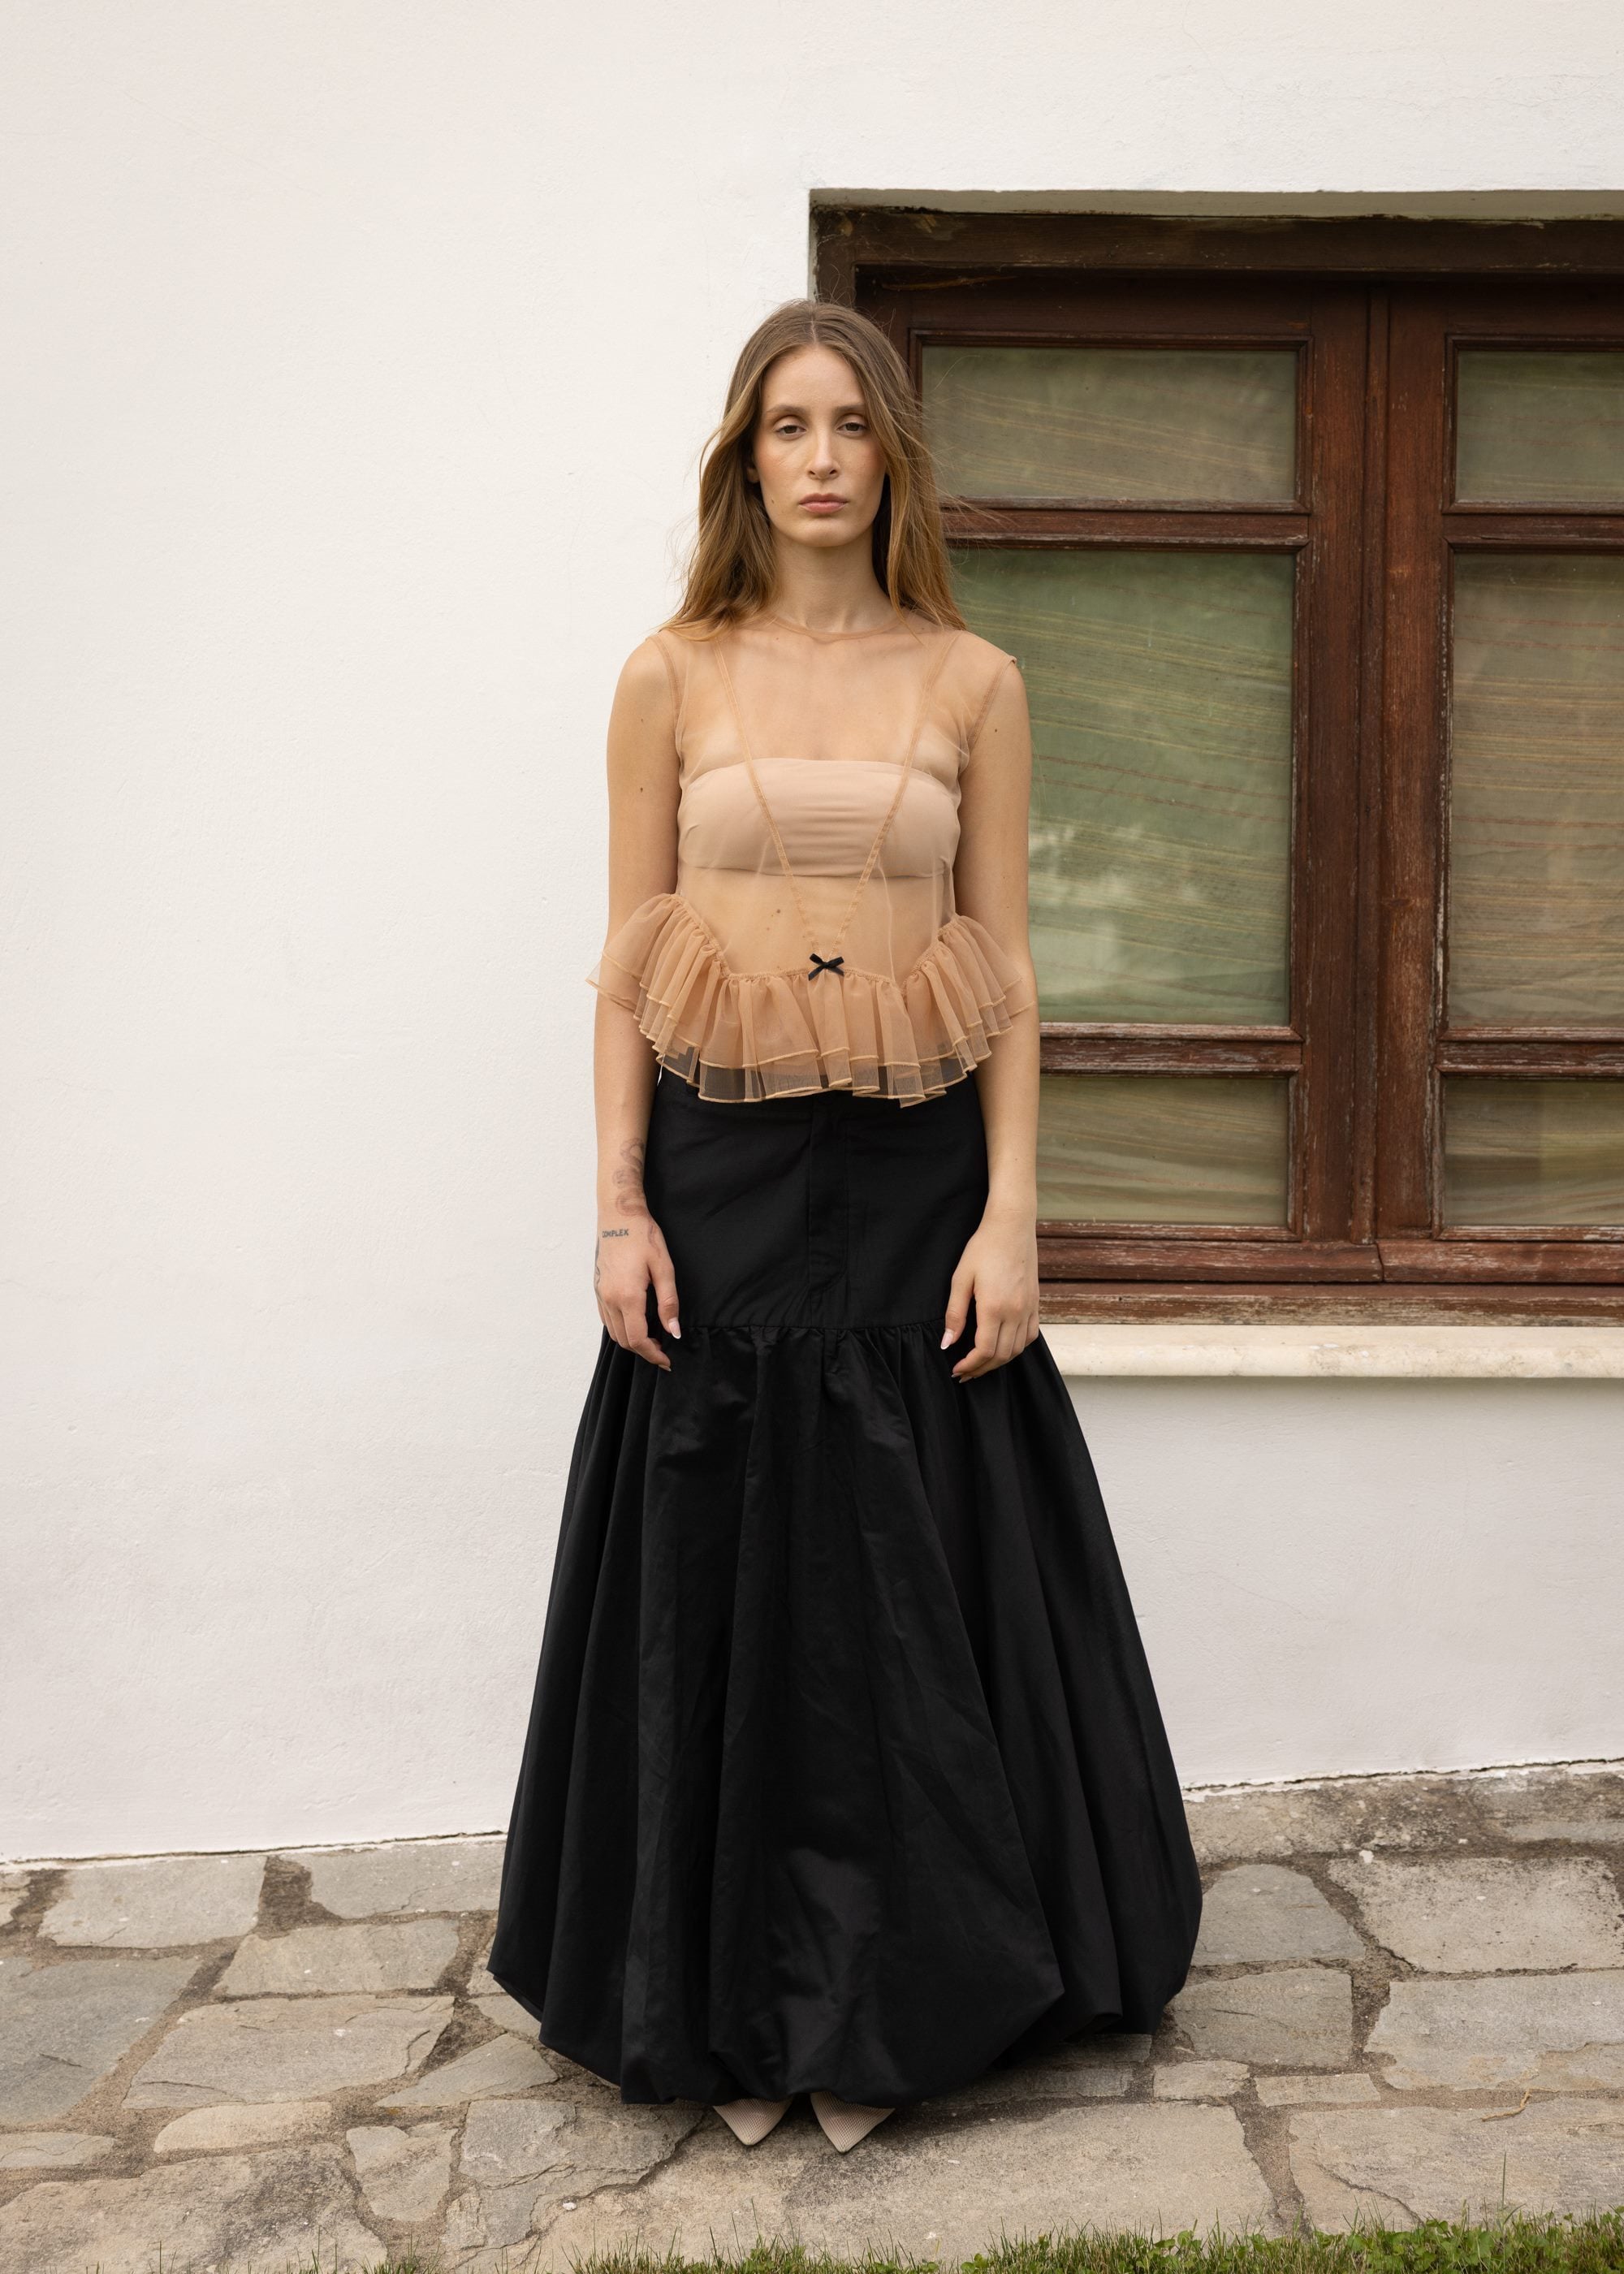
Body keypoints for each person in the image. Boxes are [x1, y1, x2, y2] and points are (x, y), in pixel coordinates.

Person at [488, 298, 1201, 2155]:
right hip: (717, 1172)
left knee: (902, 1565)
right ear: (747, 458)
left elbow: (1009, 971)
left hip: (914, 1170)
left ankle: (895, 1999)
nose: (821, 457)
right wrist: (618, 1204)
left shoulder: (973, 680)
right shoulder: (669, 672)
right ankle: (723, 1998)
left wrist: (1014, 1217)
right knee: (725, 1554)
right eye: (788, 425)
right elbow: (625, 965)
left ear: (893, 456)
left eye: (851, 425)